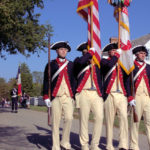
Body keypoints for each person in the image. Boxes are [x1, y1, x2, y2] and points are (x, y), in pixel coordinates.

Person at [43, 41, 76, 150]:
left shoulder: (71, 64)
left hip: (68, 96)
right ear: (57, 51)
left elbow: (73, 80)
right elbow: (46, 81)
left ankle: (65, 142)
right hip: (55, 96)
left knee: (69, 118)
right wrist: (45, 96)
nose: (63, 51)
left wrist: (74, 95)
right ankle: (56, 146)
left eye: (65, 50)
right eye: (61, 49)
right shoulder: (50, 64)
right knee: (55, 122)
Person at [101, 43, 135, 150]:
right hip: (109, 94)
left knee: (123, 119)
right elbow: (110, 65)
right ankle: (109, 144)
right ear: (109, 52)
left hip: (121, 94)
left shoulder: (122, 64)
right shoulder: (104, 61)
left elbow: (127, 81)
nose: (114, 52)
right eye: (112, 51)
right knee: (109, 120)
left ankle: (123, 144)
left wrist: (129, 96)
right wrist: (117, 56)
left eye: (116, 50)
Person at [74, 42, 104, 150]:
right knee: (84, 119)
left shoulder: (97, 63)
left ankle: (95, 144)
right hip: (84, 92)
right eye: (86, 53)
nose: (89, 55)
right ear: (83, 53)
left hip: (96, 93)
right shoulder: (79, 61)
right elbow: (81, 62)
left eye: (90, 52)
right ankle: (84, 144)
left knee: (99, 117)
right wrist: (89, 53)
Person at [129, 45, 150, 150]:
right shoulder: (131, 67)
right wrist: (130, 97)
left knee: (149, 122)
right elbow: (127, 83)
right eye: (142, 53)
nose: (144, 55)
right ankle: (134, 146)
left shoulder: (148, 67)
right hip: (136, 97)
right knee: (135, 122)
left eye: (145, 53)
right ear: (136, 55)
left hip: (147, 97)